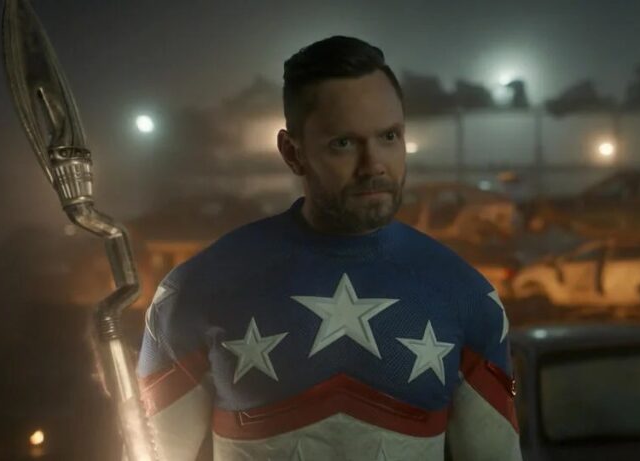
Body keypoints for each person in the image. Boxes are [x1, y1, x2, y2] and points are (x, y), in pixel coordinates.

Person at [137, 36, 521, 460]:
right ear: (292, 153)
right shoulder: (196, 293)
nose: (373, 165)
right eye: (343, 143)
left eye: (389, 136)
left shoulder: (467, 299)